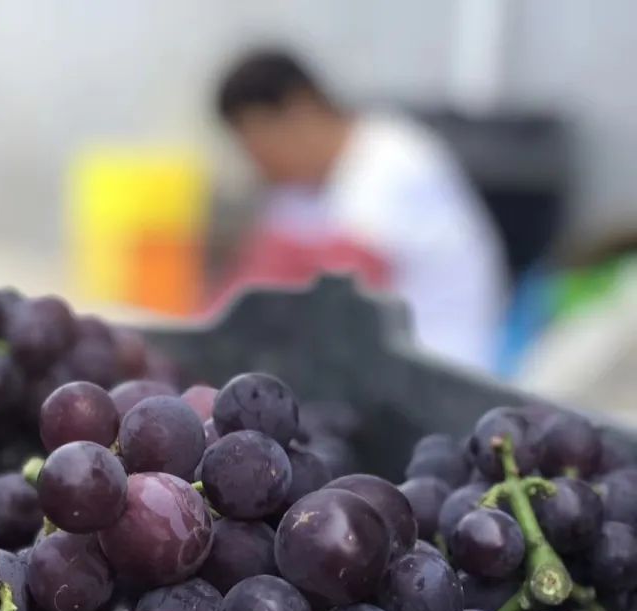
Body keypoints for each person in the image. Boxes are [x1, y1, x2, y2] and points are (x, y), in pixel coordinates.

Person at [215, 50, 505, 371]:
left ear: (301, 109)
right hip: (366, 368)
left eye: (261, 147)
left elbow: (347, 291)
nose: (259, 166)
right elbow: (255, 278)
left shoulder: (392, 160)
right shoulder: (296, 185)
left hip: (437, 367)